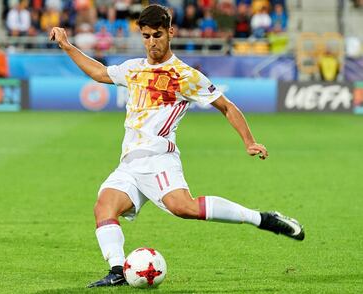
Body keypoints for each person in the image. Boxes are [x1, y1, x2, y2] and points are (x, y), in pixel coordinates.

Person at [49, 4, 305, 288]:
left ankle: (263, 219)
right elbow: (99, 72)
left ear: (170, 32)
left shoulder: (185, 75)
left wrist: (249, 141)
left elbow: (226, 106)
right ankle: (118, 271)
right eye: (145, 36)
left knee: (184, 208)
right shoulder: (133, 68)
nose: (151, 42)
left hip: (159, 158)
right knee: (104, 208)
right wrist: (67, 46)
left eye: (157, 35)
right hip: (130, 163)